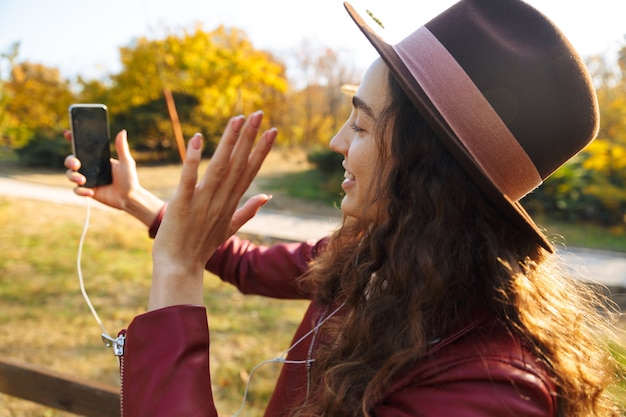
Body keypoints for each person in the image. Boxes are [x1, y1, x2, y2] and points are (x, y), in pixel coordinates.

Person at [65, 0, 623, 416]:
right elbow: (244, 264)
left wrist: (177, 273)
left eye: (360, 122)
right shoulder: (370, 258)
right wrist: (137, 201)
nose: (335, 141)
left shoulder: (488, 389)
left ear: (425, 164)